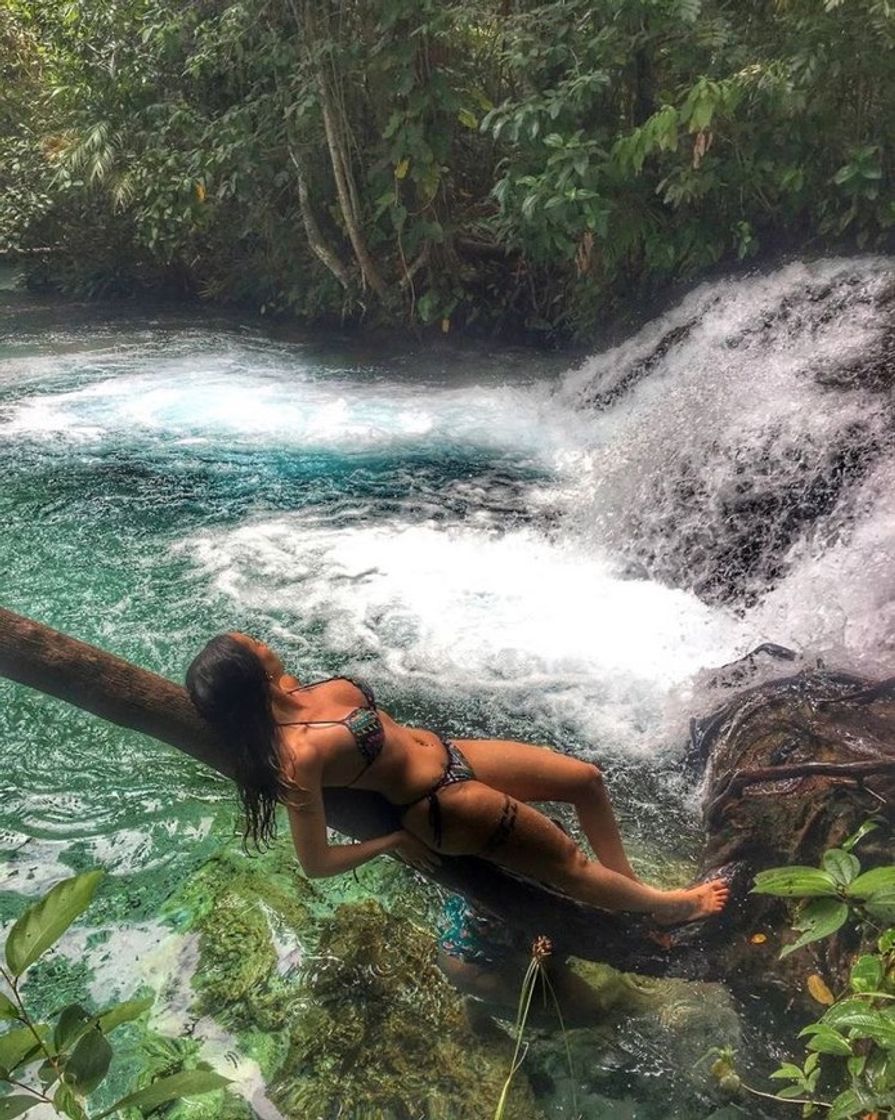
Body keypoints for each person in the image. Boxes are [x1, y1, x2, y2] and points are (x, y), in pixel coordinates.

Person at [185, 633, 729, 924]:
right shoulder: (297, 757)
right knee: (570, 865)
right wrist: (394, 842)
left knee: (586, 779)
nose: (260, 639)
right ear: (251, 677)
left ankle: (634, 890)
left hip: (450, 752)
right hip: (442, 802)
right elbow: (316, 863)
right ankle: (668, 905)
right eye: (250, 644)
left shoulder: (296, 689)